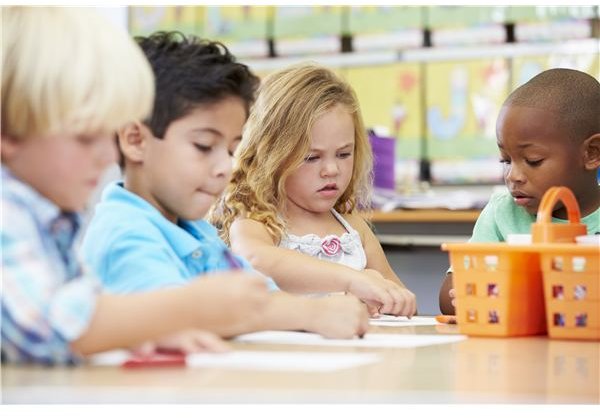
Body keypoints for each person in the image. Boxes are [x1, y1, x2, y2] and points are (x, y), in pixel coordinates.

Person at [1, 8, 273, 364]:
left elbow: (85, 307)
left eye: (107, 135)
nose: (105, 156)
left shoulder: (56, 220)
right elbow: (42, 329)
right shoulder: (8, 211)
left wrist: (141, 334)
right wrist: (189, 307)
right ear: (8, 132)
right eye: (85, 137)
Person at [81, 32, 369, 339]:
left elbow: (258, 296)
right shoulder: (124, 234)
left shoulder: (197, 232)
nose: (225, 168)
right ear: (135, 140)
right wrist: (311, 312)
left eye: (232, 150)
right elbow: (177, 317)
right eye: (204, 146)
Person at [211, 63, 417, 317]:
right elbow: (256, 261)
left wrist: (389, 299)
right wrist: (351, 280)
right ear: (270, 156)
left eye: (343, 154)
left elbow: (401, 301)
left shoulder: (354, 230)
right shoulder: (257, 224)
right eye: (311, 157)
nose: (331, 169)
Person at [439, 68, 600, 315]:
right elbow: (450, 295)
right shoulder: (501, 213)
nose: (513, 175)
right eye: (506, 160)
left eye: (533, 160)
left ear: (592, 153)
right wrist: (469, 296)